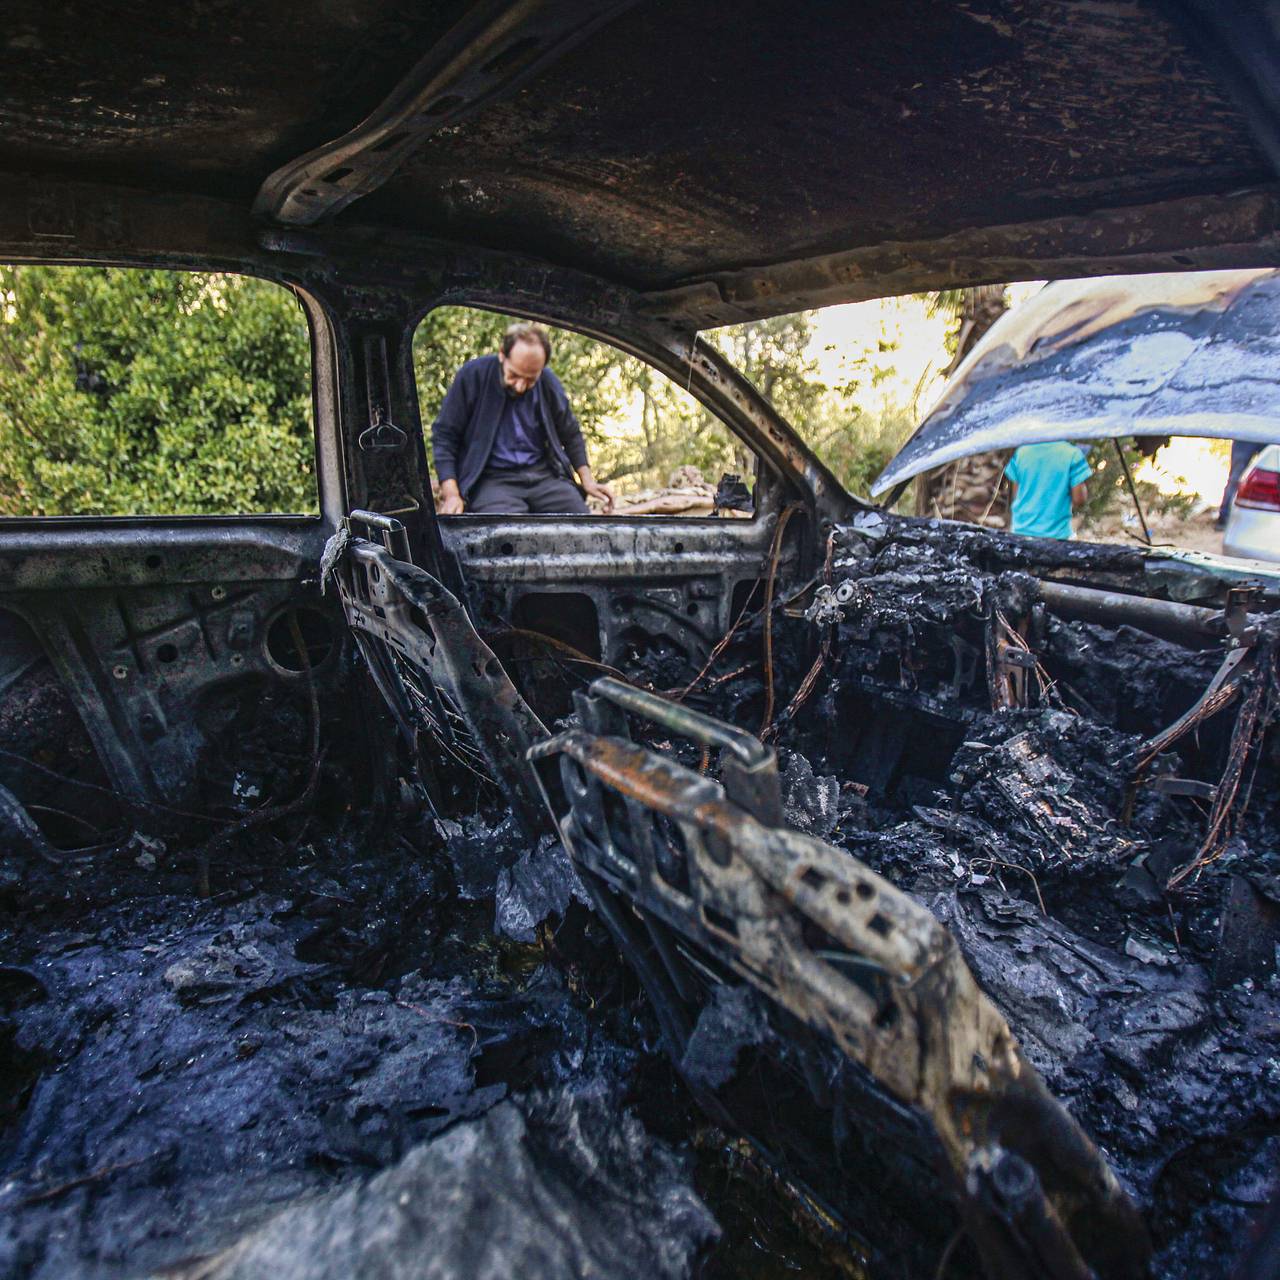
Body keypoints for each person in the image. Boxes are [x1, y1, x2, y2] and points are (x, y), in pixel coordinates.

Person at [432, 322, 615, 515]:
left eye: (530, 380)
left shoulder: (547, 381)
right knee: (504, 534)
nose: (520, 386)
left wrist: (587, 480)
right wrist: (452, 493)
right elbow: (445, 436)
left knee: (579, 524)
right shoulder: (472, 376)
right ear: (502, 354)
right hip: (492, 480)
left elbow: (570, 432)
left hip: (544, 476)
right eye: (514, 376)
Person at [1003, 440, 1091, 540]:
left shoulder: (1021, 452)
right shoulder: (1072, 454)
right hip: (1057, 536)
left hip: (1021, 532)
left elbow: (1016, 494)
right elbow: (1079, 500)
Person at [1217, 439, 1264, 528]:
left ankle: (1225, 516)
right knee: (1235, 477)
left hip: (1268, 431)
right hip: (1247, 434)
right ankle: (1224, 517)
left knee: (1271, 476)